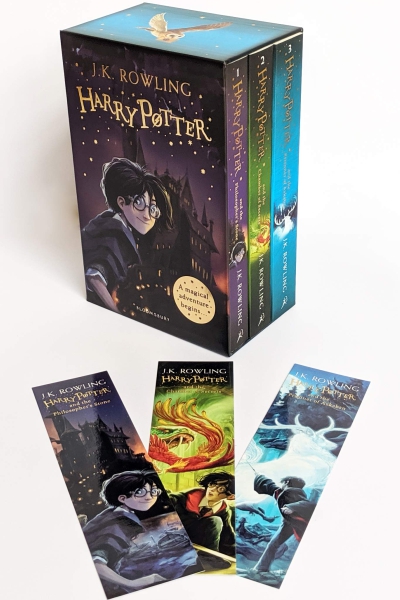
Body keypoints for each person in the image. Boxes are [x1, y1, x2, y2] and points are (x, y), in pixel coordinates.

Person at [81, 158, 173, 312]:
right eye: (139, 203)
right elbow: (94, 276)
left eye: (152, 208)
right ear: (122, 202)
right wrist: (114, 311)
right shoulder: (114, 230)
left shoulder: (118, 227)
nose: (147, 216)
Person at [82, 470, 166, 594]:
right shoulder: (117, 524)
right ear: (122, 498)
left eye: (153, 491)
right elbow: (97, 563)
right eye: (140, 492)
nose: (149, 497)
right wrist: (132, 584)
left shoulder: (113, 513)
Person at [252, 474, 316, 573]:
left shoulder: (294, 492)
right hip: (287, 524)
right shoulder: (284, 492)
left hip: (299, 524)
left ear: (287, 482)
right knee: (273, 544)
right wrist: (260, 477)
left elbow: (310, 505)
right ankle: (261, 568)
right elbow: (272, 488)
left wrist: (292, 507)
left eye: (282, 483)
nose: (280, 485)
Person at [169, 471, 235, 556]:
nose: (212, 489)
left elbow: (227, 539)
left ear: (231, 496)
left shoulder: (223, 512)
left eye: (220, 489)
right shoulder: (180, 500)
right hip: (173, 540)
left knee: (215, 521)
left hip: (199, 547)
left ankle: (211, 557)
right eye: (212, 484)